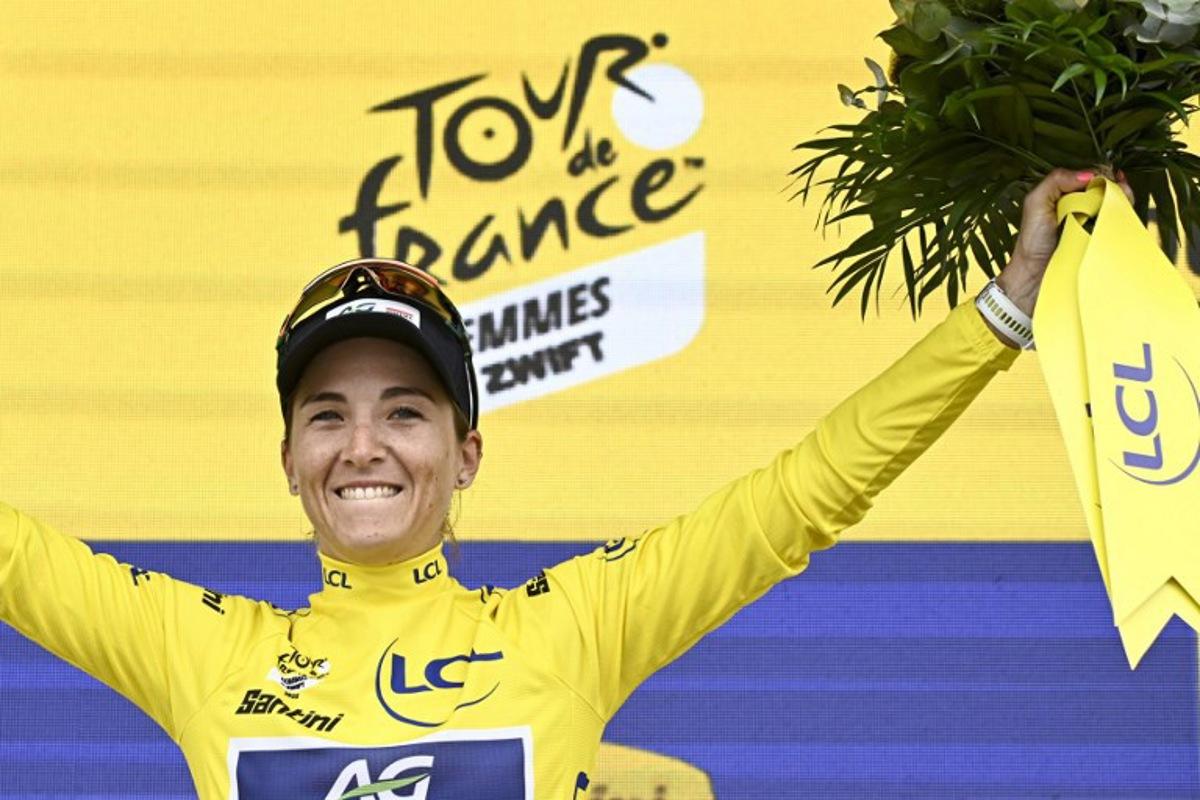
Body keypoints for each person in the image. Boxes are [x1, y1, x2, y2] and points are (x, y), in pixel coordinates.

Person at [0, 169, 1133, 799]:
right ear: (289, 462)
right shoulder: (203, 652)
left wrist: (1006, 306)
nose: (364, 446)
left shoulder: (573, 627)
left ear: (468, 452)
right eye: (326, 416)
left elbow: (804, 496)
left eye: (407, 411)